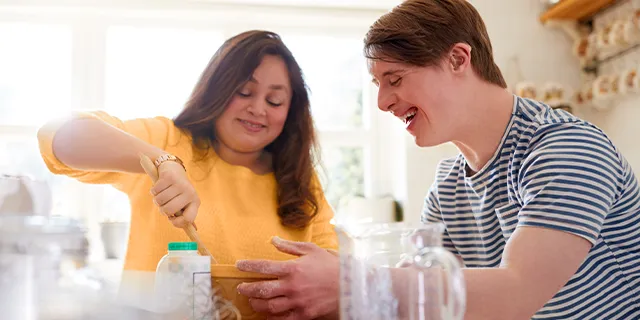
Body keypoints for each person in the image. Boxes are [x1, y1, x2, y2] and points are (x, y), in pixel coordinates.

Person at [236, 1, 640, 319]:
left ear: (458, 59)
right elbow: (431, 297)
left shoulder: (566, 149)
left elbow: (517, 295)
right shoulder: (449, 185)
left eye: (394, 79)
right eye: (378, 85)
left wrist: (350, 282)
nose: (382, 102)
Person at [37, 29, 338, 303]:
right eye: (244, 92)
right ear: (217, 90)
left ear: (291, 111)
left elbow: (333, 282)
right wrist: (161, 161)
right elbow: (58, 135)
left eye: (274, 101)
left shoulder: (301, 181)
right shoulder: (168, 141)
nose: (257, 109)